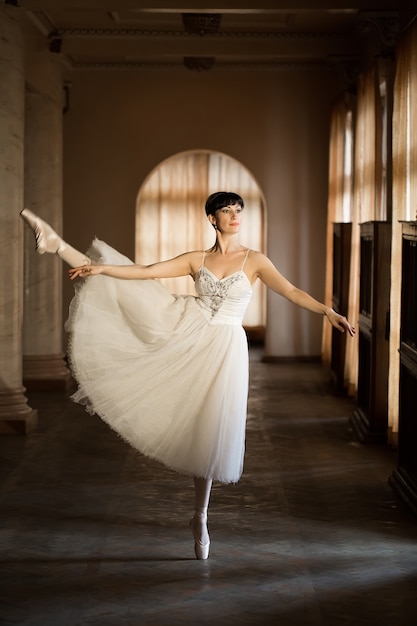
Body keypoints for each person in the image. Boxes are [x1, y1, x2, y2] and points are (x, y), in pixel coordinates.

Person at [20, 192, 355, 560]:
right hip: (186, 327)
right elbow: (147, 272)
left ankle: (200, 516)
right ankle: (56, 244)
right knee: (123, 289)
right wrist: (100, 269)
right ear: (212, 219)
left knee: (210, 429)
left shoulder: (254, 259)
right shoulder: (198, 259)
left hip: (226, 347)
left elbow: (290, 290)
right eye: (226, 211)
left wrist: (327, 311)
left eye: (238, 210)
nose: (234, 216)